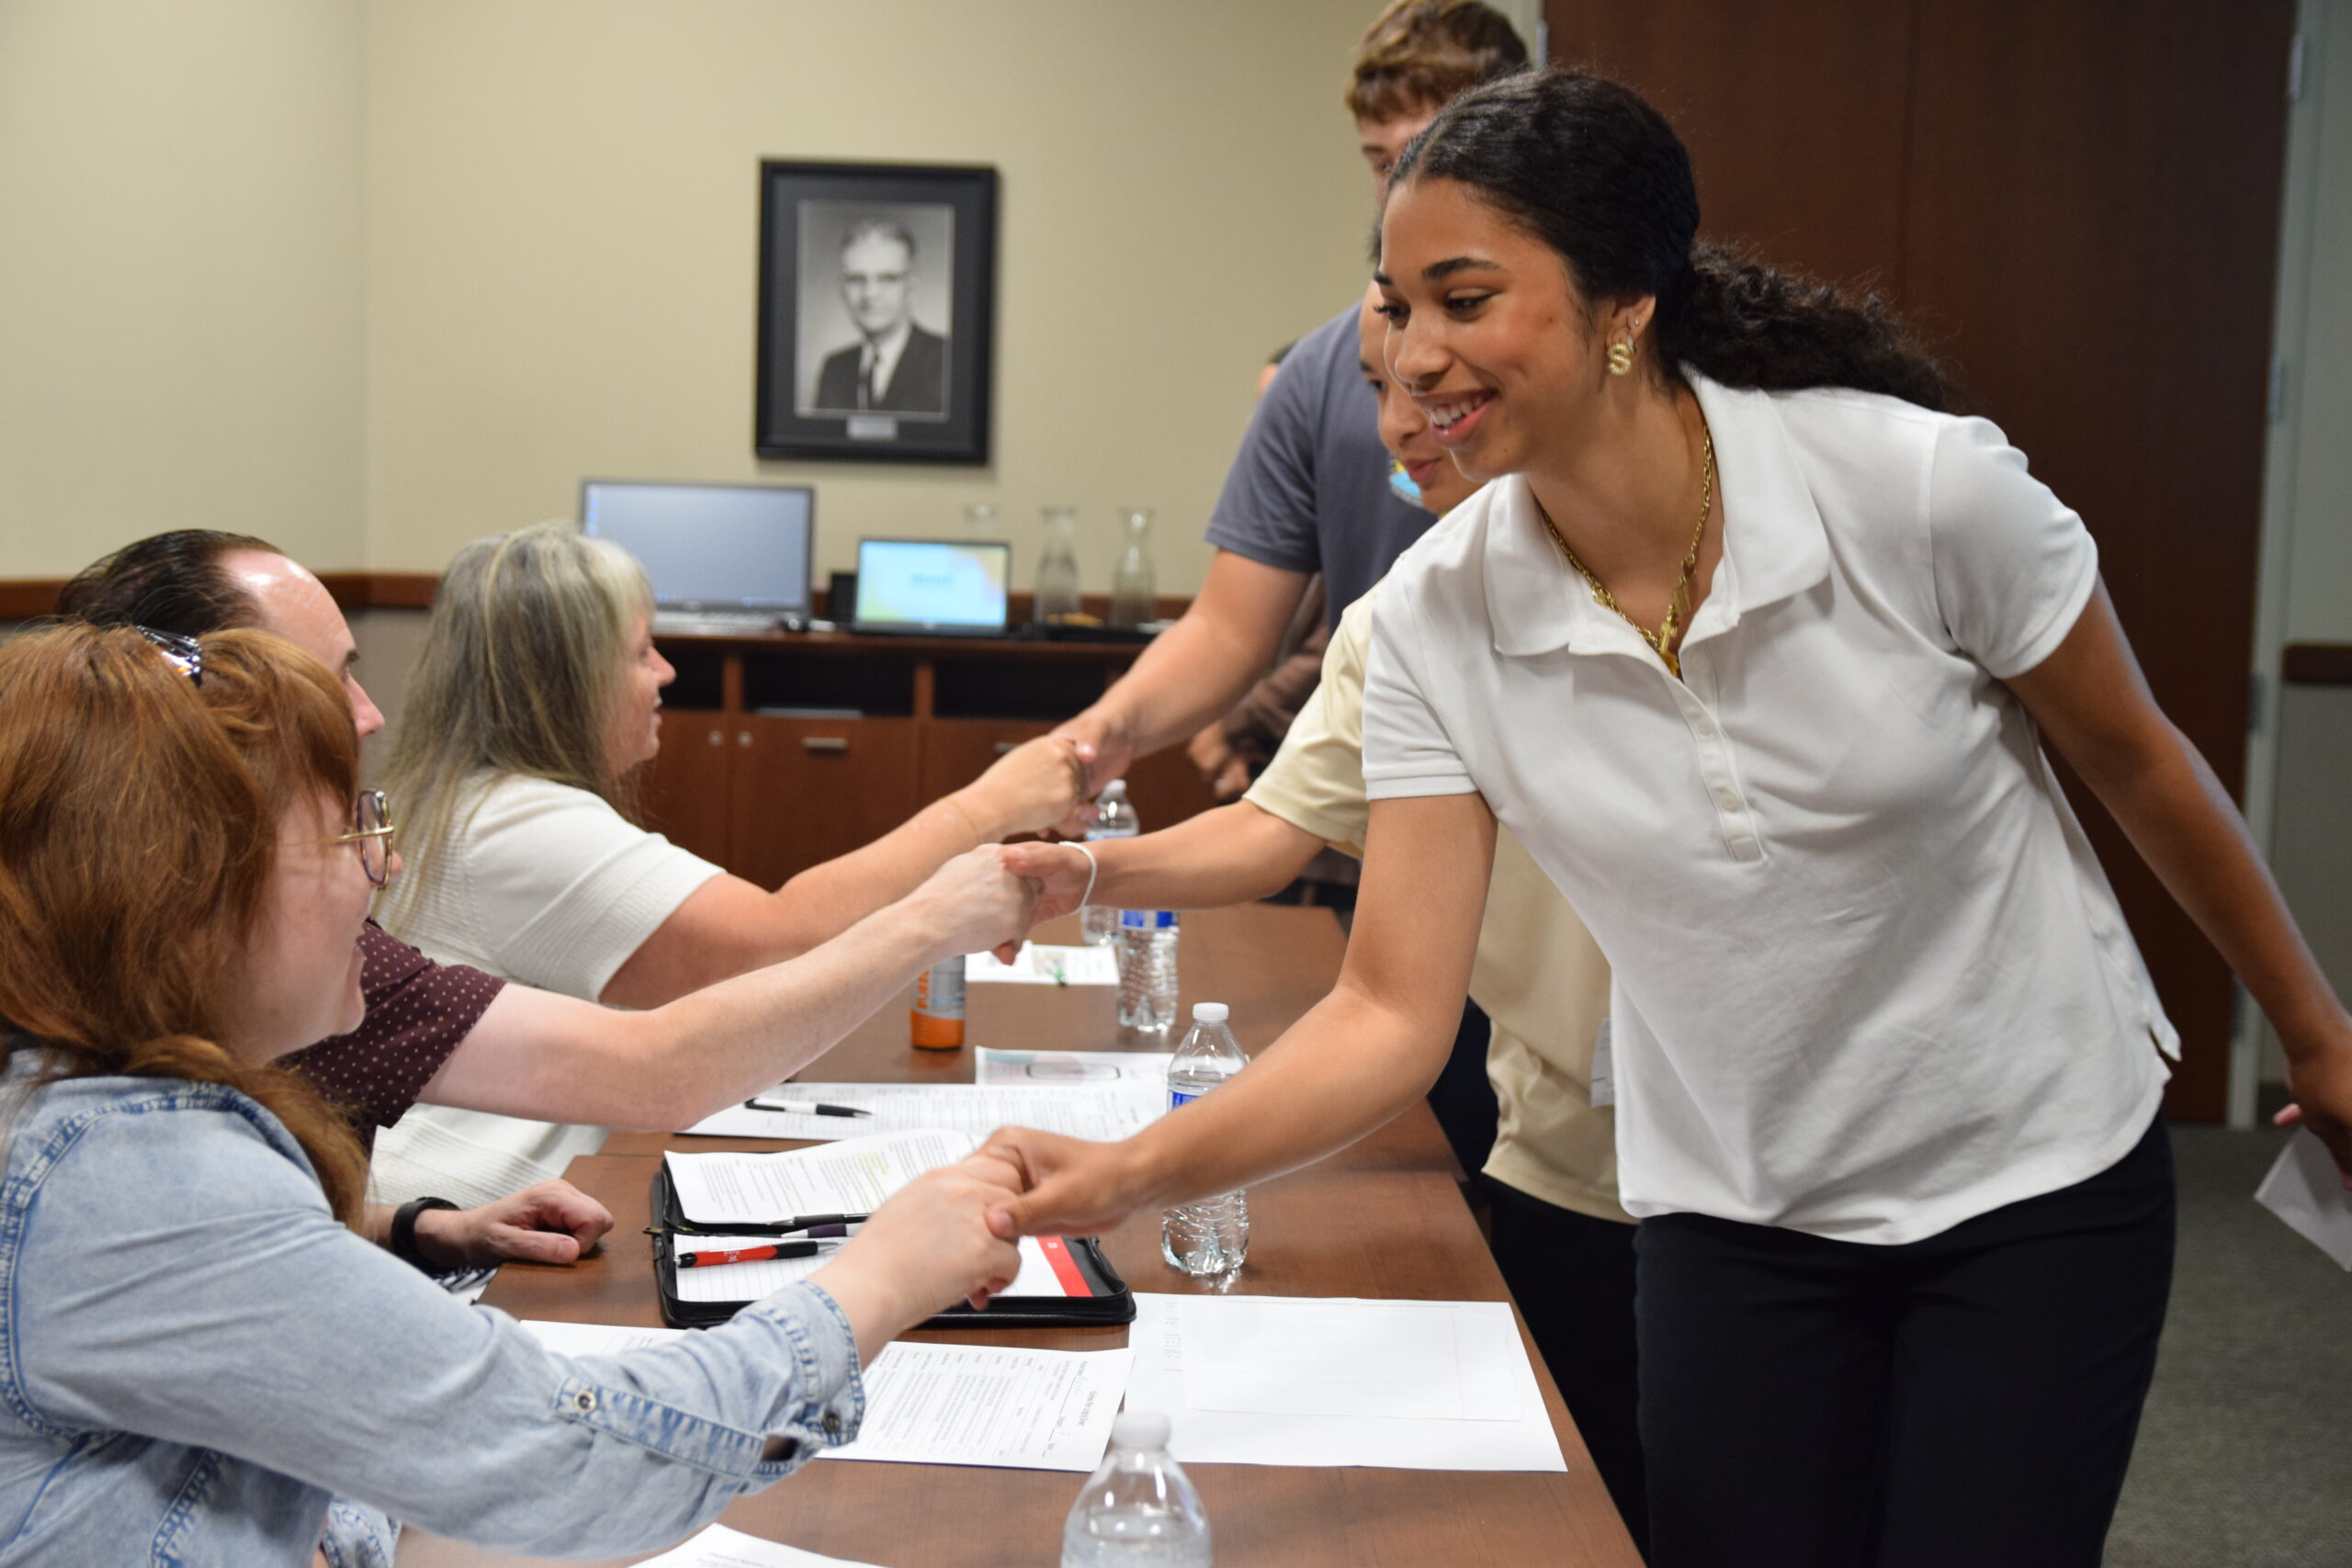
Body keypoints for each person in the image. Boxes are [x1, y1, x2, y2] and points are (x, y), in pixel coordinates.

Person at [986, 70, 2352, 1568]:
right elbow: (1386, 1009)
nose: (1411, 353)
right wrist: (1119, 1175)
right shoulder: (1439, 625)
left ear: (1621, 304)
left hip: (2022, 1173)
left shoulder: (1911, 487)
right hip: (1731, 1201)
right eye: (1396, 305)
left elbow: (2141, 763)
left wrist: (2319, 1034)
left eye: (1466, 298)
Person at [0, 622, 1028, 1565]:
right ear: (192, 887)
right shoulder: (130, 1173)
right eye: (349, 828)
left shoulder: (79, 1111)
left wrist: (411, 1230)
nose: (385, 867)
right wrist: (877, 1283)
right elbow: (578, 1458)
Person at [1022, 287, 1647, 1546]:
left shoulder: (1680, 561)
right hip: (1572, 1146)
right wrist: (1085, 874)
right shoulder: (1408, 616)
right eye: (1373, 385)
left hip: (1772, 1167)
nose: (1390, 421)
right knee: (1596, 1505)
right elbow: (1278, 831)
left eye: (1421, 384)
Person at [56, 531, 1059, 1247]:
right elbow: (722, 995)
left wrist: (410, 1226)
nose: (369, 717)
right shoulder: (459, 848)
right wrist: (954, 880)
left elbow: (211, 1222)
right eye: (326, 683)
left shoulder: (303, 929)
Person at [1052, 0, 1529, 1168]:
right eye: (1384, 164)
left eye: (1436, 150)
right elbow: (1235, 649)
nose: (1408, 409)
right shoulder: (1402, 597)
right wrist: (1088, 765)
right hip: (1403, 852)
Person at [363, 519, 1085, 1205]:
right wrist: (991, 804)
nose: (666, 672)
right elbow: (775, 943)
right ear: (569, 683)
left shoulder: (469, 800)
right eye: (641, 652)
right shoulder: (512, 821)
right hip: (474, 1212)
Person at [809, 219, 949, 415]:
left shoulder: (948, 361)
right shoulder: (835, 369)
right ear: (841, 288)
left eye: (887, 279)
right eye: (856, 279)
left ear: (911, 286)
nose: (870, 294)